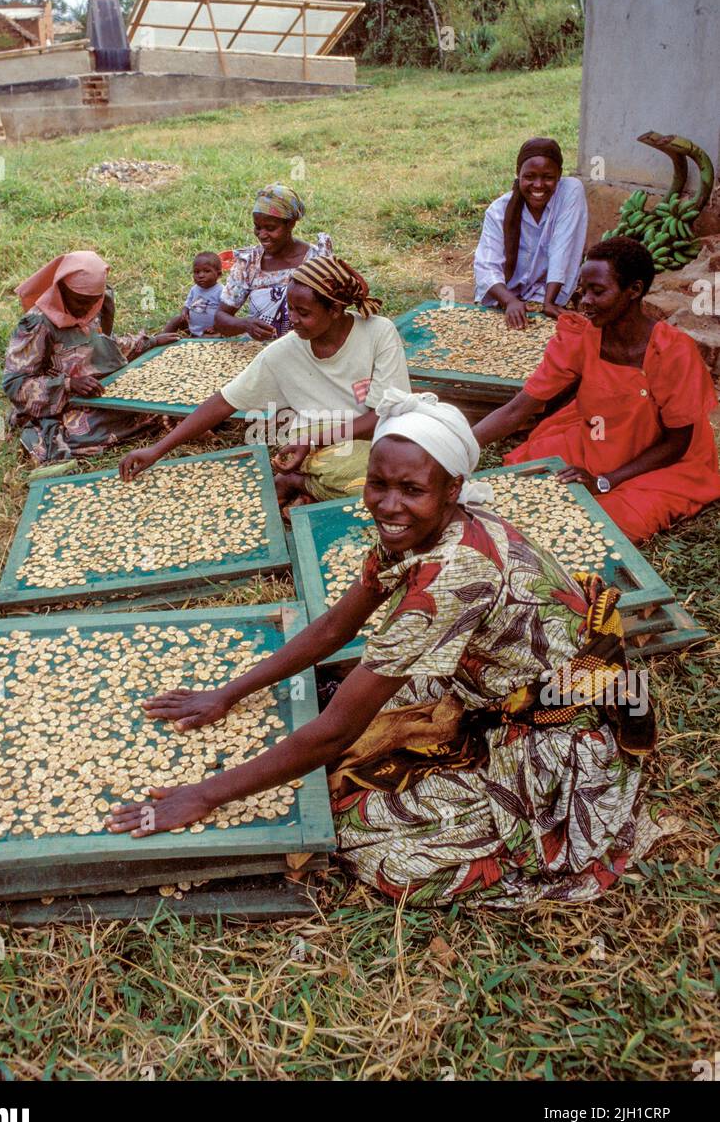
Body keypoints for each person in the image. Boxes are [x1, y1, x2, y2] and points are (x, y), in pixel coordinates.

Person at [107, 389, 671, 909]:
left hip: (553, 726)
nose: (389, 505)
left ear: (453, 488)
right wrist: (226, 695)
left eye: (412, 489)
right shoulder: (422, 532)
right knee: (358, 706)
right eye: (379, 484)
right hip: (494, 683)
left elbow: (335, 731)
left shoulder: (449, 582)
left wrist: (204, 796)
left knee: (375, 844)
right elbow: (334, 628)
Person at [472, 237, 720, 543]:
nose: (584, 301)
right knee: (529, 474)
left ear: (635, 290)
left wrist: (605, 481)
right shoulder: (582, 335)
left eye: (598, 291)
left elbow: (677, 443)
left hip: (661, 460)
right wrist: (455, 448)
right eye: (582, 290)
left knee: (607, 524)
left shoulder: (671, 352)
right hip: (600, 437)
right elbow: (518, 408)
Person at [119, 257, 410, 506]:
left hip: (375, 435)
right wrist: (156, 450)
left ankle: (307, 487)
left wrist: (312, 439)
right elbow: (224, 401)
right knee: (382, 490)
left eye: (303, 312)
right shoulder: (284, 352)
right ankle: (300, 482)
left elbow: (382, 415)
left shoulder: (378, 333)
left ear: (334, 310)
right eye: (290, 309)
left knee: (425, 470)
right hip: (321, 448)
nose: (292, 320)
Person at [3, 250, 177, 465]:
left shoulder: (96, 305)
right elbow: (14, 385)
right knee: (82, 429)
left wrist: (150, 342)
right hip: (61, 400)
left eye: (92, 302)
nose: (85, 309)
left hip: (97, 388)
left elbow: (103, 345)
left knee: (157, 393)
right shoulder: (38, 324)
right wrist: (68, 384)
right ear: (61, 290)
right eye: (78, 301)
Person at [474, 137, 587, 330]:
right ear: (518, 173)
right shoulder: (498, 211)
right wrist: (509, 301)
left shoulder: (570, 192)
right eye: (529, 177)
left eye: (548, 177)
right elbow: (486, 266)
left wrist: (549, 303)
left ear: (559, 175)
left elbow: (562, 247)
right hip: (506, 293)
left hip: (548, 292)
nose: (538, 185)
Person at [214, 183, 334, 340]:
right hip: (261, 351)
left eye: (270, 228)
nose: (262, 235)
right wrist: (246, 325)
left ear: (290, 224)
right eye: (257, 227)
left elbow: (333, 313)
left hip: (307, 348)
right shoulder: (249, 263)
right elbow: (221, 318)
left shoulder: (316, 260)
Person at [161, 251, 224, 337]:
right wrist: (184, 312)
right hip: (192, 326)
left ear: (219, 274)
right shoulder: (194, 289)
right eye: (197, 272)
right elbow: (187, 305)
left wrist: (216, 326)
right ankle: (162, 337)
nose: (201, 275)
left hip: (211, 330)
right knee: (176, 320)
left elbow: (225, 313)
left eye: (206, 271)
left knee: (210, 337)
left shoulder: (221, 291)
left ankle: (201, 340)